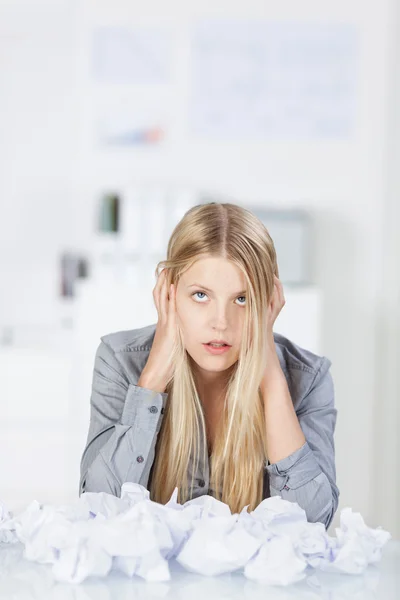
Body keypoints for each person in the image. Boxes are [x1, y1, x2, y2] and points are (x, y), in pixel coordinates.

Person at [79, 202, 339, 529]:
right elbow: (98, 511)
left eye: (242, 299)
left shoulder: (310, 379)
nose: (221, 322)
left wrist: (271, 378)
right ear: (169, 292)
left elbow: (311, 525)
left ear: (268, 301)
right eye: (201, 295)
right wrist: (152, 380)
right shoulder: (120, 360)